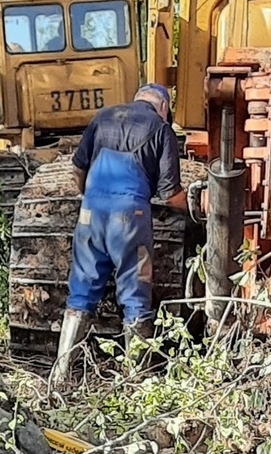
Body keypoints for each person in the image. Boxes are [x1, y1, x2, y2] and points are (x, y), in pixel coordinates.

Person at [53, 84, 188, 381]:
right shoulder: (161, 128)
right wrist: (195, 210)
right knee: (135, 292)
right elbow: (170, 193)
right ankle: (136, 382)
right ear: (163, 107)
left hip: (90, 215)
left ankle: (60, 377)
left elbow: (77, 169)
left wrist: (89, 199)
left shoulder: (103, 117)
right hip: (130, 218)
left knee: (82, 292)